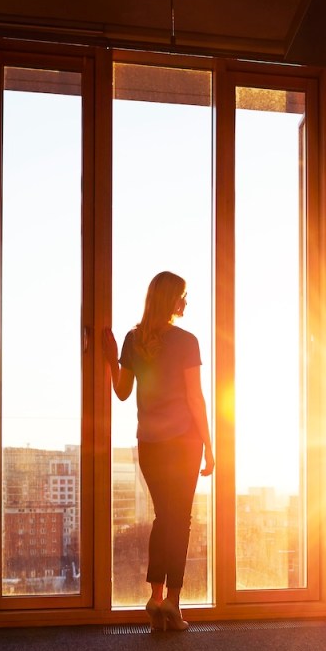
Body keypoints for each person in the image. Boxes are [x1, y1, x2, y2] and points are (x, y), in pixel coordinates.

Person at [104, 271, 214, 632]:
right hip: (184, 443)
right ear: (170, 300)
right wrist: (209, 445)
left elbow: (122, 392)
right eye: (183, 295)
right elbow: (195, 398)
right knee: (179, 521)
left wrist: (111, 359)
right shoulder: (187, 341)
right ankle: (172, 603)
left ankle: (155, 597)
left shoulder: (133, 340)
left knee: (163, 518)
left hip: (149, 444)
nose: (186, 302)